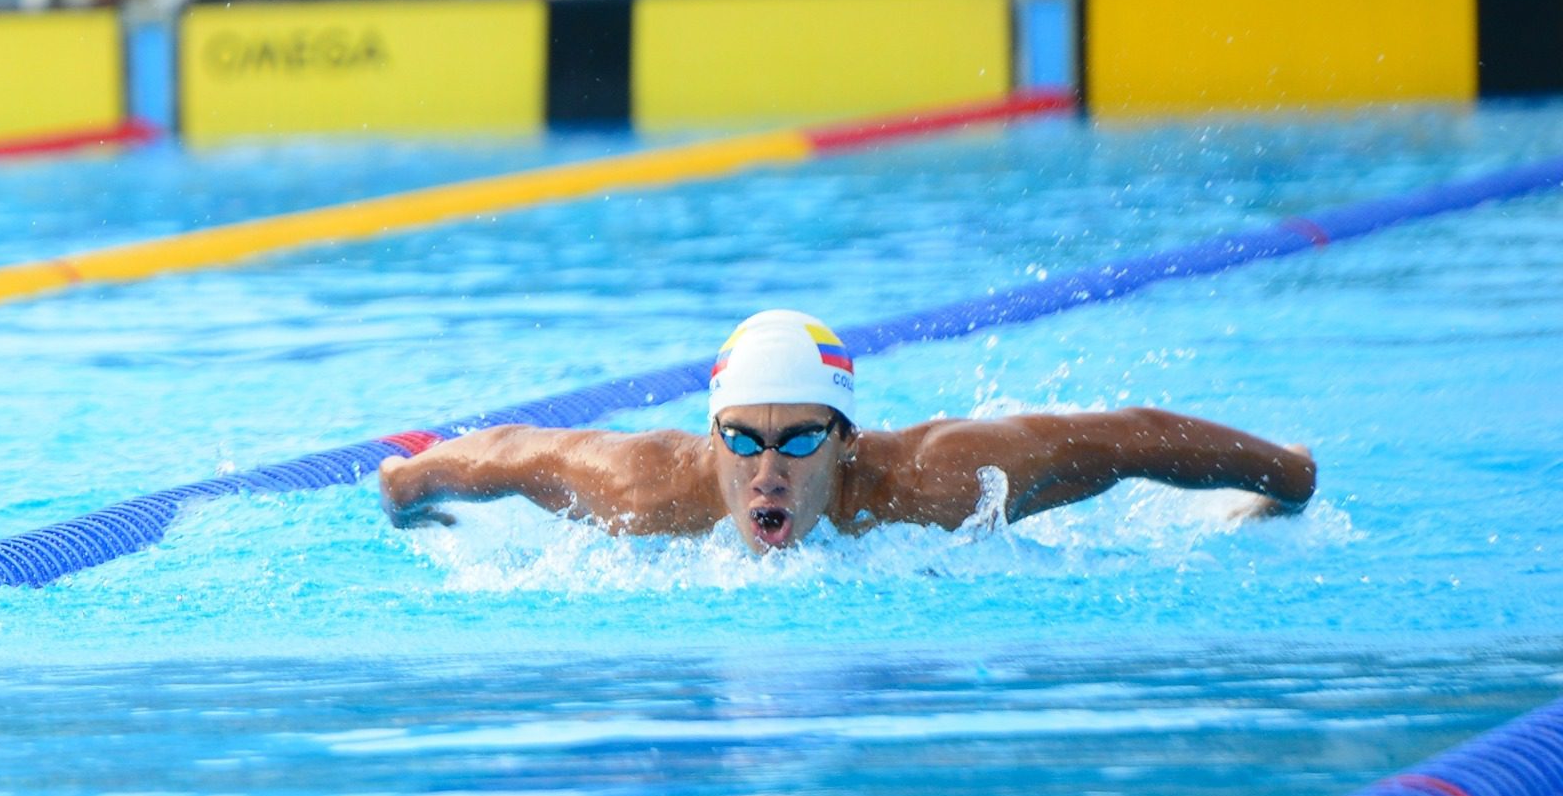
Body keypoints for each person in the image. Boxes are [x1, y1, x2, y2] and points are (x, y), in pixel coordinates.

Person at [379, 309, 1315, 552]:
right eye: (742, 439)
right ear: (711, 442)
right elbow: (509, 453)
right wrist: (408, 486)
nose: (766, 469)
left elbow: (1129, 439)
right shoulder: (651, 487)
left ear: (847, 443)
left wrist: (1287, 476)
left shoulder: (941, 484)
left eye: (797, 441)